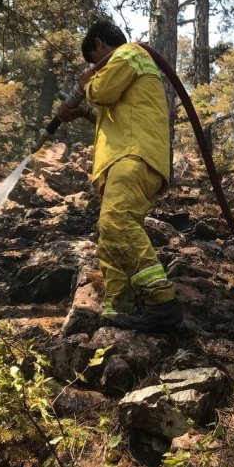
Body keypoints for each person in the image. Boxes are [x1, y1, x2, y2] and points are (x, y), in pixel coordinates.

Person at [57, 20, 182, 332]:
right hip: (126, 158)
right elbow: (115, 114)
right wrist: (83, 113)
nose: (95, 68)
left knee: (116, 222)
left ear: (99, 45)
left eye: (93, 61)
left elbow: (105, 91)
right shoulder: (131, 65)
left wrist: (87, 82)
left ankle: (161, 302)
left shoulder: (128, 54)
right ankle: (119, 307)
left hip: (133, 155)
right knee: (111, 239)